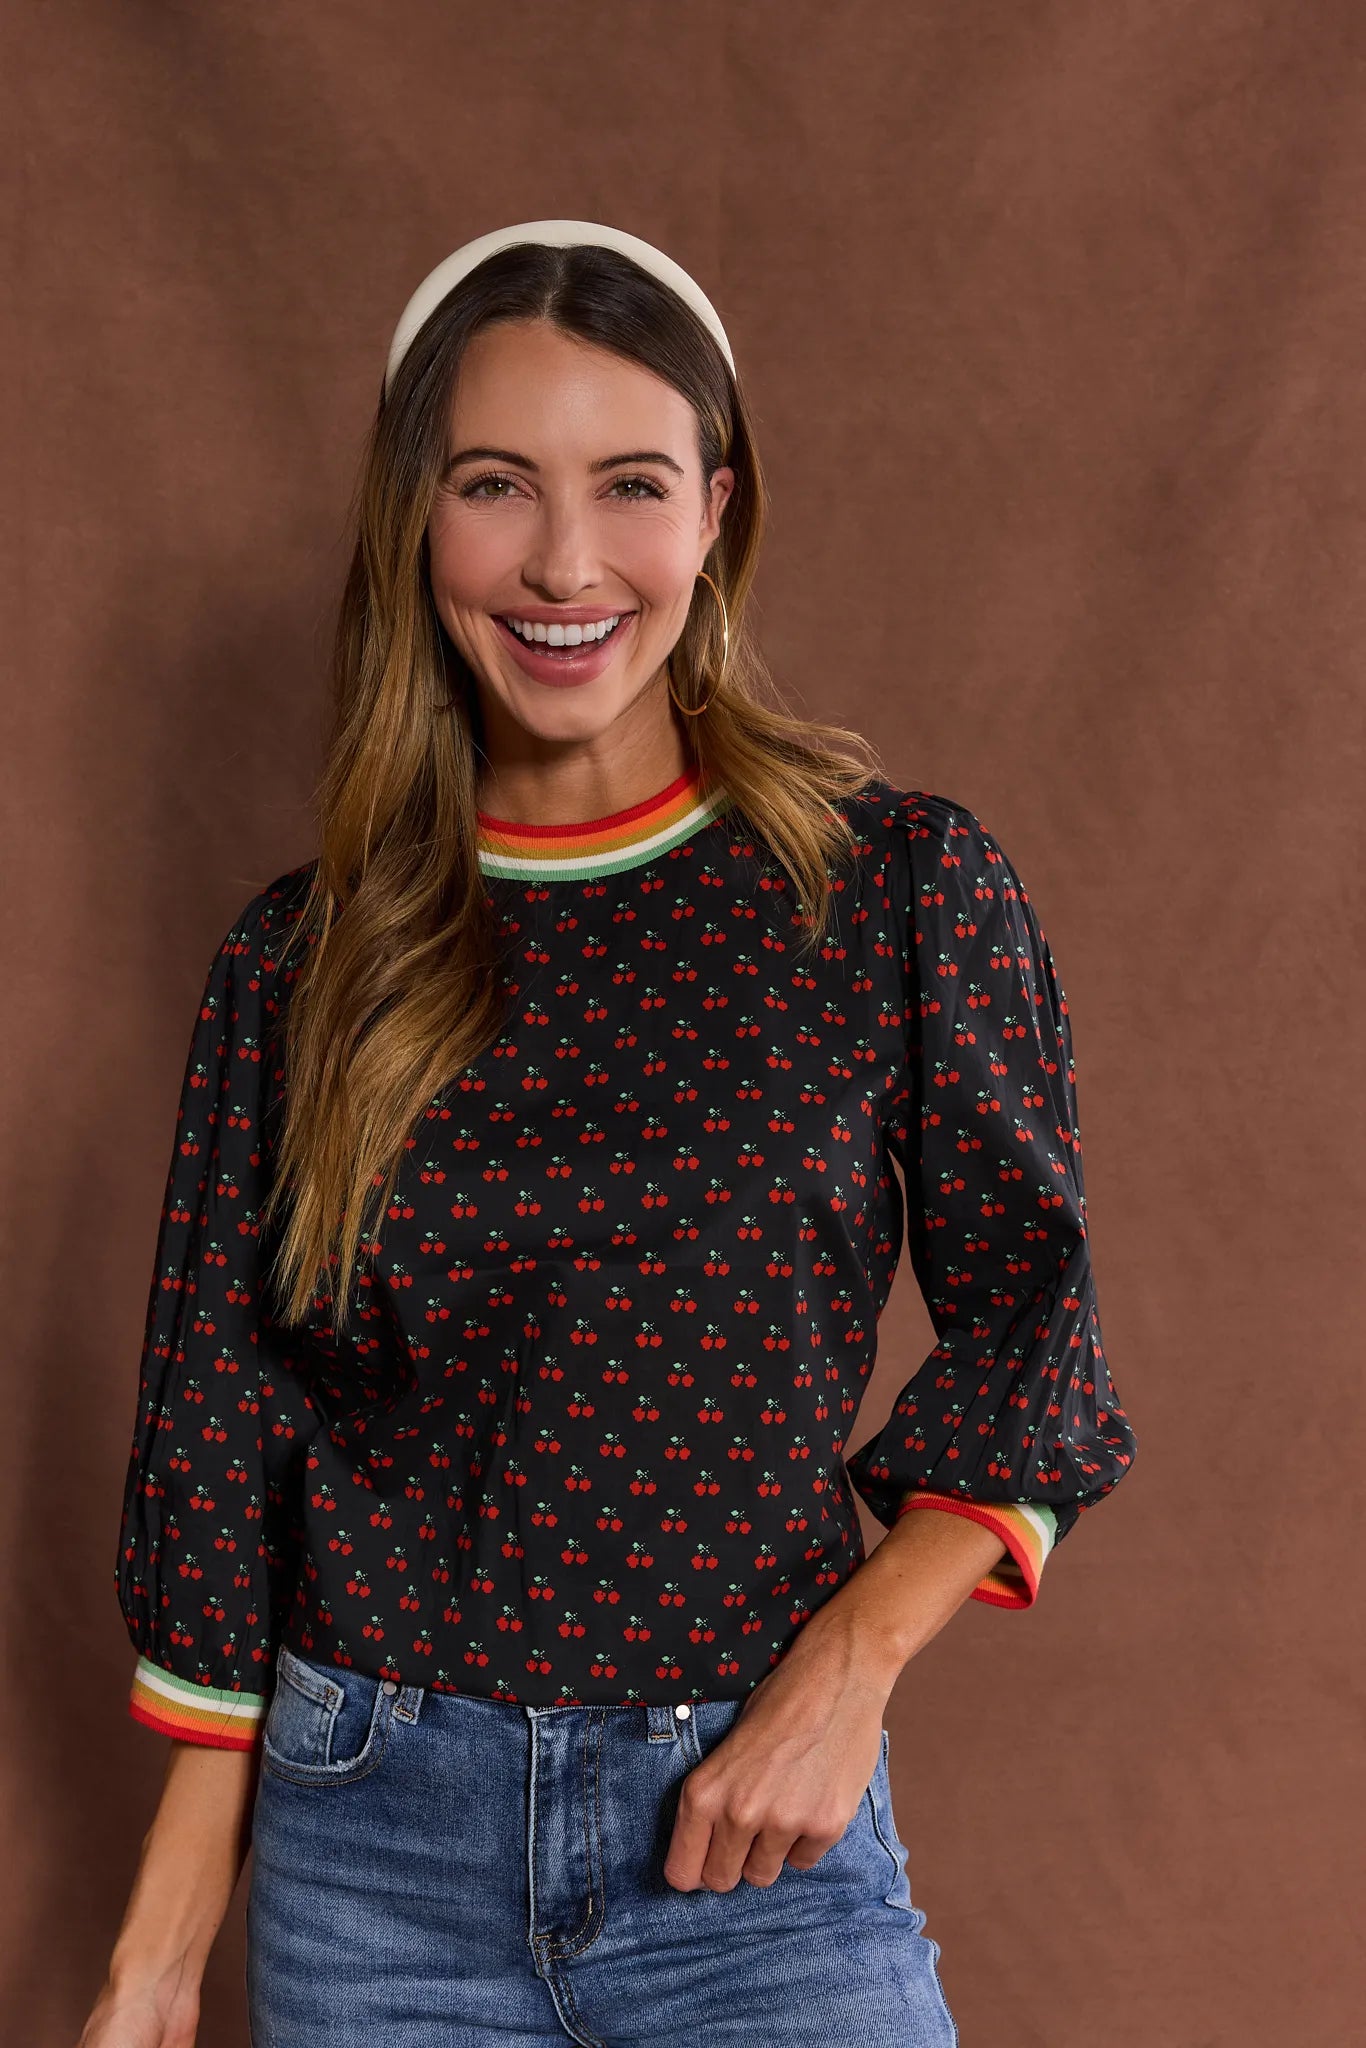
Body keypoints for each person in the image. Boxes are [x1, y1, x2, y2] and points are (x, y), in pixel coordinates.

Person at [84, 219, 1138, 2048]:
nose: (564, 562)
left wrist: (849, 1667)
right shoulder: (303, 959)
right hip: (371, 1862)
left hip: (748, 1852)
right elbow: (222, 1438)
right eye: (495, 486)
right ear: (417, 521)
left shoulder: (889, 889)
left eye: (629, 484)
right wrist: (157, 1962)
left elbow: (1035, 1325)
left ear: (715, 509)